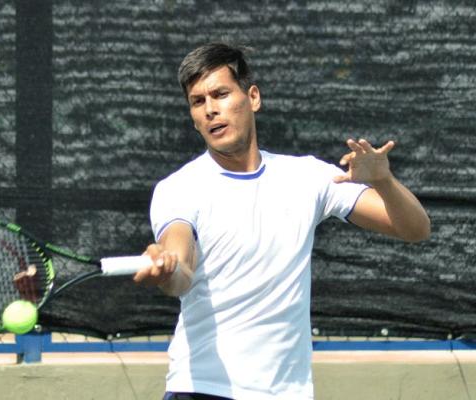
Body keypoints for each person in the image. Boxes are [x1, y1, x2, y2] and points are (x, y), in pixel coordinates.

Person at [133, 43, 431, 400]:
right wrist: (167, 270)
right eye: (198, 102)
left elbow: (415, 229)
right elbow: (181, 270)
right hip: (200, 391)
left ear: (253, 97)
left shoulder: (308, 177)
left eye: (221, 94)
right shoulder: (178, 189)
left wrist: (384, 181)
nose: (211, 109)